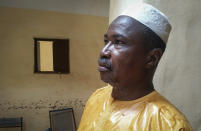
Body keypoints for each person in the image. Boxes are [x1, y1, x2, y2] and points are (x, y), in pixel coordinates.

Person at [78, 2, 192, 131]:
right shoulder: (96, 98)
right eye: (106, 41)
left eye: (118, 42)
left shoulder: (168, 124)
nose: (103, 51)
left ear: (151, 59)